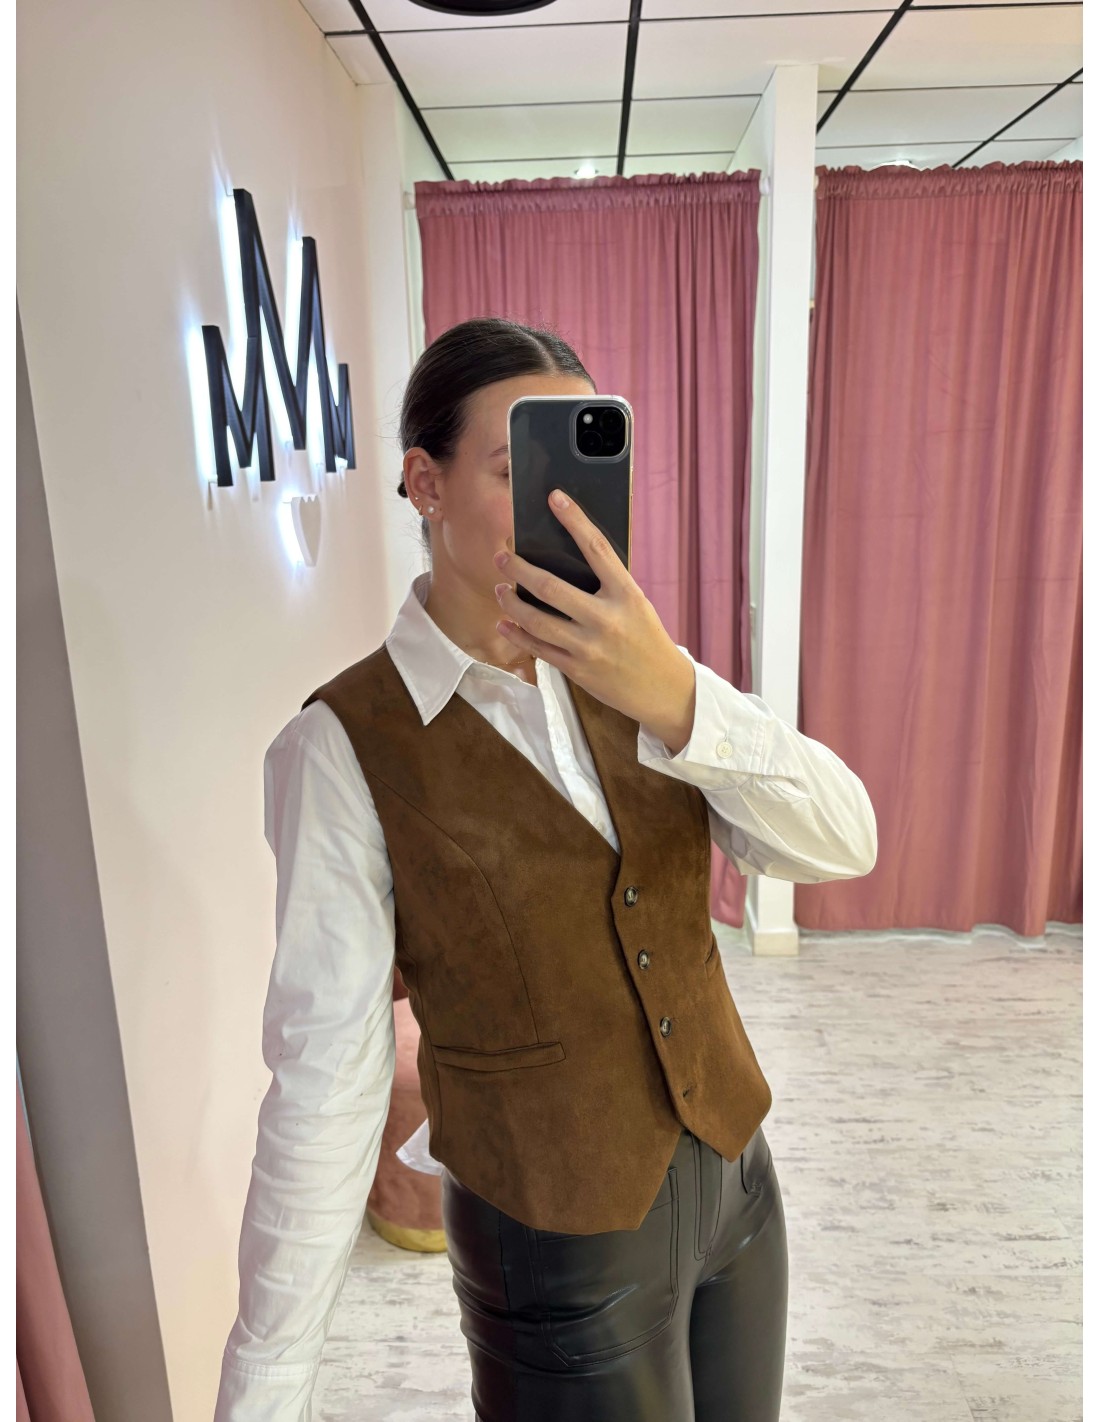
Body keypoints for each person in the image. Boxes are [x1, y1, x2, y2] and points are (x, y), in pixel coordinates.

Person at [214, 317, 878, 1422]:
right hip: (558, 1254)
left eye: (585, 468)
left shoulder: (641, 673)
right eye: (516, 469)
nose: (562, 507)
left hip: (736, 1197)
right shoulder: (343, 747)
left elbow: (840, 841)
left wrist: (678, 696)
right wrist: (266, 1386)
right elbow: (325, 1076)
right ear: (425, 483)